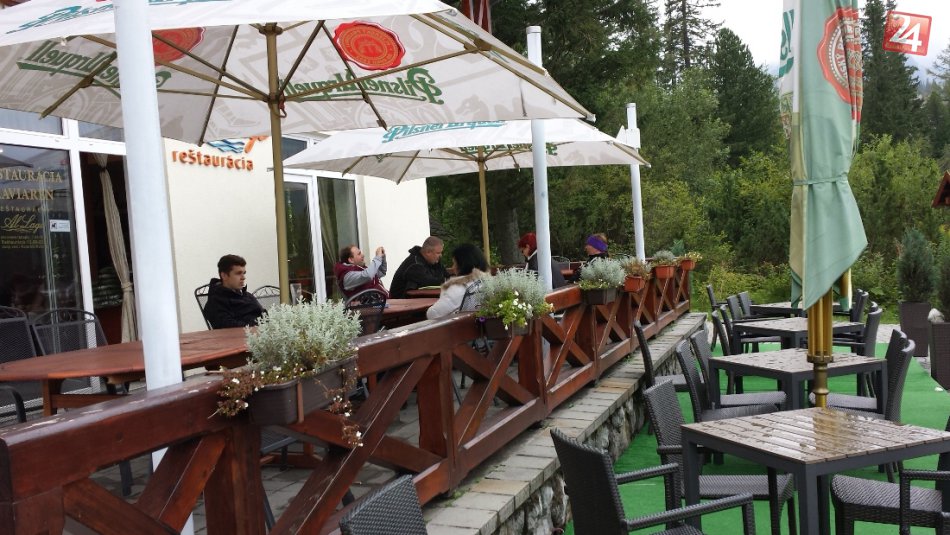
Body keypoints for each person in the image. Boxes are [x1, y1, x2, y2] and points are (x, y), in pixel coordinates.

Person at [426, 244, 489, 320]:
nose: (453, 267)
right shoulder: (487, 283)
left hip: (458, 326)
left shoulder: (458, 288)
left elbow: (433, 314)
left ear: (463, 264)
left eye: (454, 263)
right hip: (481, 324)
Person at [203, 254, 265, 329]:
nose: (243, 277)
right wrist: (258, 326)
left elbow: (265, 315)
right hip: (244, 334)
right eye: (238, 273)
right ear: (224, 275)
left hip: (261, 332)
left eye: (244, 273)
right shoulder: (215, 302)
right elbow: (229, 326)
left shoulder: (247, 295)